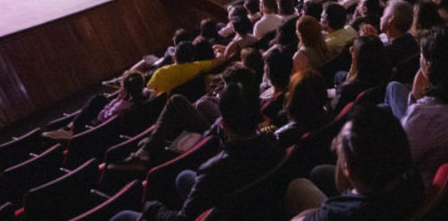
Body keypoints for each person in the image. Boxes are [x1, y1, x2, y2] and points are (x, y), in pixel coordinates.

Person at [111, 71, 284, 221]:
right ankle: (145, 151)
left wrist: (151, 207)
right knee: (183, 177)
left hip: (227, 207)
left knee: (123, 216)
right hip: (256, 204)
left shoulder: (212, 169)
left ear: (223, 122)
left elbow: (183, 219)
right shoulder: (275, 141)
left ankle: (144, 154)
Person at [285, 103, 425, 221]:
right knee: (319, 172)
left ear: (349, 171)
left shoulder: (337, 214)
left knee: (297, 186)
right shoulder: (414, 177)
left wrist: (312, 213)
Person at [384, 26, 448, 183]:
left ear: (430, 66)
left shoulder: (422, 115)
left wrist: (415, 98)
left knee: (387, 101)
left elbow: (394, 160)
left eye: (422, 56)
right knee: (393, 90)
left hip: (416, 178)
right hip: (442, 141)